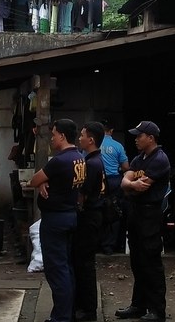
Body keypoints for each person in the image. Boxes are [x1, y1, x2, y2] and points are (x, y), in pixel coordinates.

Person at [28, 119, 85, 322]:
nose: (52, 138)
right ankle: (65, 313)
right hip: (69, 214)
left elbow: (34, 179)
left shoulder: (60, 160)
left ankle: (61, 317)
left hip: (55, 219)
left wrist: (41, 182)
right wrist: (45, 182)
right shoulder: (79, 158)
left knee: (57, 270)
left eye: (53, 134)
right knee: (66, 267)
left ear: (62, 135)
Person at [115, 121, 171, 322]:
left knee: (151, 262)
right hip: (135, 213)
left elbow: (142, 187)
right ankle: (138, 305)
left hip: (150, 215)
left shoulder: (159, 159)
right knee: (137, 262)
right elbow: (126, 182)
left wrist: (131, 185)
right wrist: (130, 184)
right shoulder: (139, 158)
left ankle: (157, 310)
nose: (136, 139)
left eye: (140, 136)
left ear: (151, 137)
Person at [73, 121, 106, 322]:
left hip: (90, 217)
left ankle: (88, 310)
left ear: (91, 140)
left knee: (85, 264)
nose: (80, 138)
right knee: (83, 263)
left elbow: (82, 195)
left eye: (82, 135)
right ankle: (84, 306)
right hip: (93, 216)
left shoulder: (92, 163)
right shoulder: (95, 160)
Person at [99, 120, 129, 254]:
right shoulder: (118, 146)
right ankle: (110, 246)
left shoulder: (92, 144)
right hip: (114, 181)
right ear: (111, 131)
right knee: (115, 212)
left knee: (97, 210)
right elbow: (126, 167)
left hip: (98, 182)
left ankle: (97, 244)